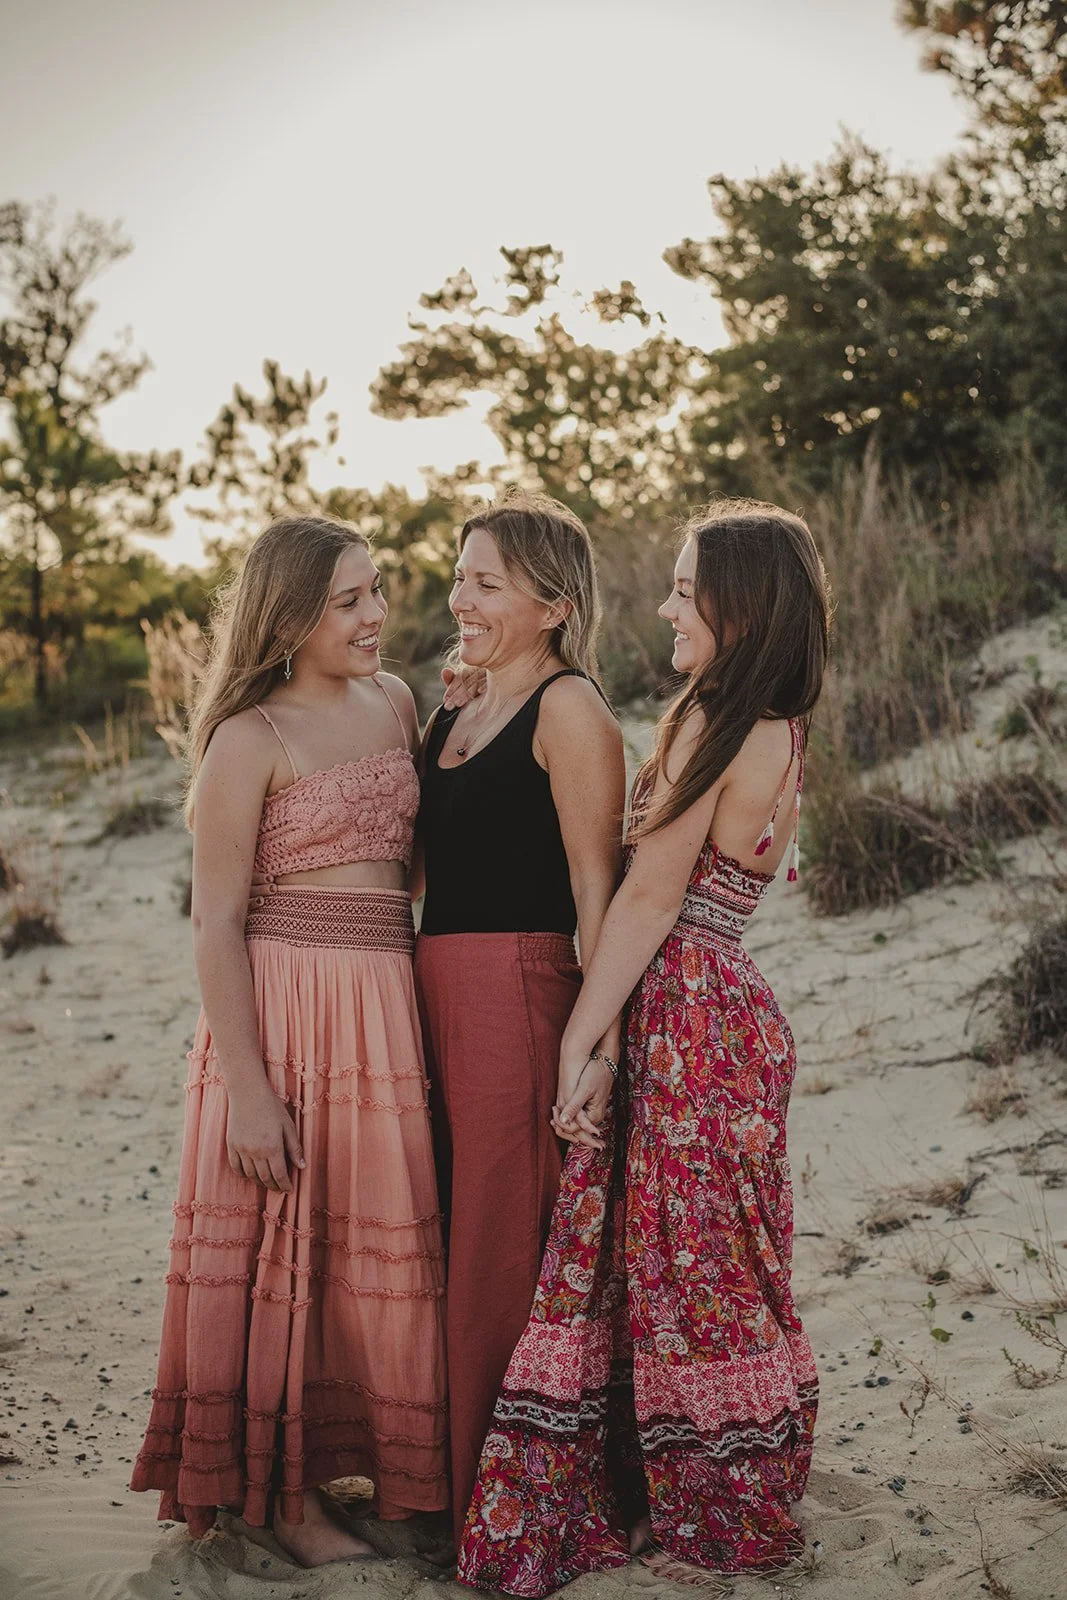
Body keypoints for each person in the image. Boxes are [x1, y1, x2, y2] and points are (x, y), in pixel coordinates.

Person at [457, 499, 830, 1594]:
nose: (666, 609)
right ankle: (708, 1481)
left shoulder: (721, 723)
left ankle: (710, 1506)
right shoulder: (771, 721)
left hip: (687, 1018)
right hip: (728, 1008)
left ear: (738, 607)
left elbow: (647, 899)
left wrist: (583, 1038)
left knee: (686, 1262)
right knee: (708, 1260)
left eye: (683, 591)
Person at [131, 516, 448, 1566]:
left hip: (383, 1004)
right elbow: (215, 923)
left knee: (371, 1248)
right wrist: (251, 1092)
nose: (375, 615)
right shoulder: (248, 737)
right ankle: (284, 1503)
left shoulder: (395, 702)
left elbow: (411, 869)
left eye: (375, 591)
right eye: (348, 601)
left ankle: (393, 1472)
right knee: (283, 1250)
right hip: (283, 1015)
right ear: (289, 618)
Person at [414, 491, 626, 1543]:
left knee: (502, 1247)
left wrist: (600, 1049)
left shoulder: (570, 709)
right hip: (428, 994)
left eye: (486, 582)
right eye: (459, 576)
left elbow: (599, 892)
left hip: (519, 993)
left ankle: (506, 1503)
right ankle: (442, 1480)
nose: (460, 598)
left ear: (551, 605)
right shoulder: (452, 711)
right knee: (445, 1235)